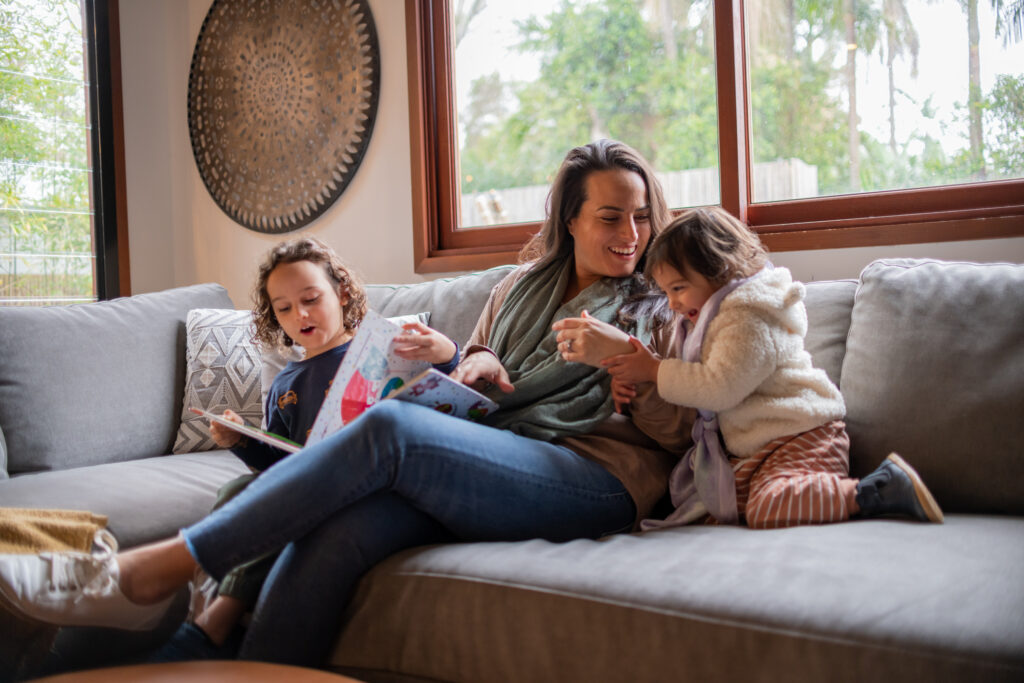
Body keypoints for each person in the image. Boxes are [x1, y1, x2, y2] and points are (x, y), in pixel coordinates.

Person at [0, 140, 694, 667]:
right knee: (341, 527)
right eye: (611, 217)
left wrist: (632, 368)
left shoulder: (659, 302)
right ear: (570, 219)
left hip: (595, 478)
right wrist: (472, 361)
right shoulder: (518, 287)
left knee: (392, 428)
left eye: (640, 217)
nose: (631, 234)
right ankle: (210, 651)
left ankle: (154, 570)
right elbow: (478, 373)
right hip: (497, 454)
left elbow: (678, 433)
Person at [155, 236, 460, 660]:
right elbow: (278, 464)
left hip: (378, 488)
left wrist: (448, 354)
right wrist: (242, 440)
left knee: (286, 503)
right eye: (283, 308)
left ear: (343, 293)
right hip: (309, 487)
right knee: (236, 491)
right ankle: (223, 617)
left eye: (311, 299)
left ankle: (216, 623)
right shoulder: (287, 382)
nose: (299, 315)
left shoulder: (386, 349)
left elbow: (448, 390)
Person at [593, 207, 944, 529]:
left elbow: (718, 387)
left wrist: (654, 371)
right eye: (667, 291)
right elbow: (691, 382)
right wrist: (639, 381)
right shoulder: (709, 320)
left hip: (803, 434)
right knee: (712, 510)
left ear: (719, 270)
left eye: (679, 288)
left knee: (766, 508)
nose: (672, 303)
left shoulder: (749, 316)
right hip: (759, 447)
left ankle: (876, 489)